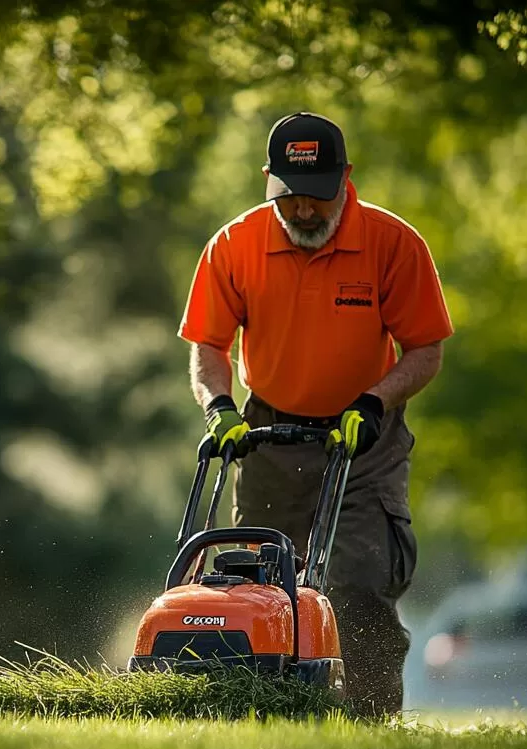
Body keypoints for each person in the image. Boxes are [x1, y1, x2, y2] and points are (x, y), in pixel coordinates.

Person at [178, 111, 453, 716]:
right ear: (269, 180)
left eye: (318, 198)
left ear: (346, 178)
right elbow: (207, 344)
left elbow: (426, 349)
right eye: (290, 197)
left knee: (357, 582)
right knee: (257, 583)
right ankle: (260, 716)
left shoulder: (392, 243)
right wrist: (219, 408)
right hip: (268, 436)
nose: (304, 211)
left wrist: (376, 402)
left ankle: (368, 723)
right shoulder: (235, 244)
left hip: (364, 437)